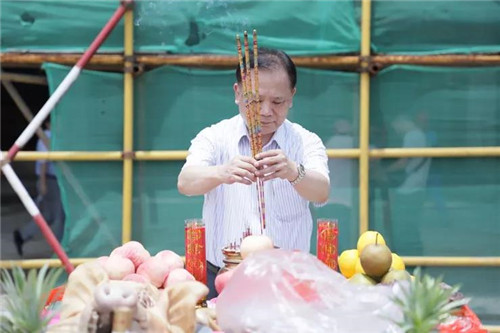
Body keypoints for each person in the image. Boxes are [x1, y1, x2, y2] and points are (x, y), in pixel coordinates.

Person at [177, 48, 330, 298]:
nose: (266, 111)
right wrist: (222, 172)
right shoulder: (215, 137)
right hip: (222, 276)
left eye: (278, 101)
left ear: (292, 96)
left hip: (288, 278)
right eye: (255, 100)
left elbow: (322, 192)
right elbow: (185, 182)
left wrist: (293, 172)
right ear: (237, 93)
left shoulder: (305, 141)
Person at [13, 119, 65, 256]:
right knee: (59, 215)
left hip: (54, 180)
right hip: (50, 180)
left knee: (47, 215)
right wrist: (42, 182)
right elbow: (43, 162)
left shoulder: (55, 138)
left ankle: (22, 235)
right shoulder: (46, 137)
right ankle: (61, 250)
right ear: (48, 124)